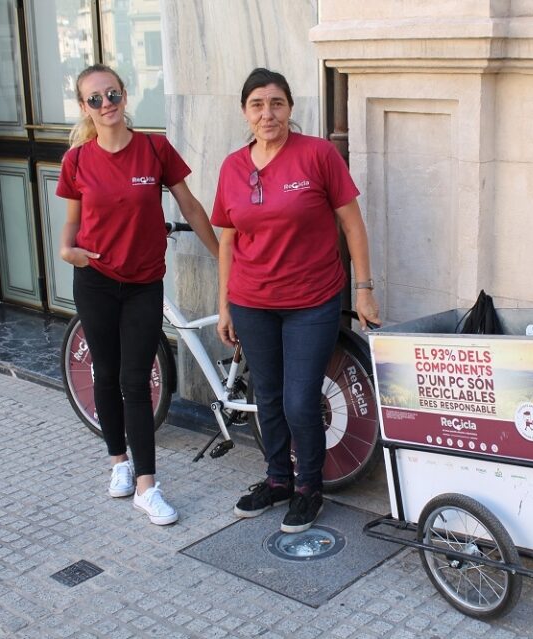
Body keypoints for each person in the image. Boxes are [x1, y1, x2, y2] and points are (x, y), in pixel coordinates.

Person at [212, 68, 380, 533]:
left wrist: (364, 289)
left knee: (300, 400)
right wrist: (225, 304)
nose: (268, 114)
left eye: (277, 103)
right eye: (257, 105)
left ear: (290, 108)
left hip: (311, 300)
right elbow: (227, 241)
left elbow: (352, 224)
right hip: (252, 302)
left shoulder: (317, 155)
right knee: (267, 395)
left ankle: (309, 487)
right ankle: (278, 480)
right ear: (245, 112)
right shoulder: (232, 167)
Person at [56, 64, 218, 525]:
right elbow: (72, 220)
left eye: (112, 94)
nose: (106, 104)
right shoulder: (77, 161)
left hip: (144, 283)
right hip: (95, 281)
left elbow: (190, 205)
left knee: (136, 379)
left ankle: (148, 487)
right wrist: (67, 250)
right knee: (106, 375)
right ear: (84, 107)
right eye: (95, 99)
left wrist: (222, 255)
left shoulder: (154, 149)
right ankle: (119, 463)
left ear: (125, 96)